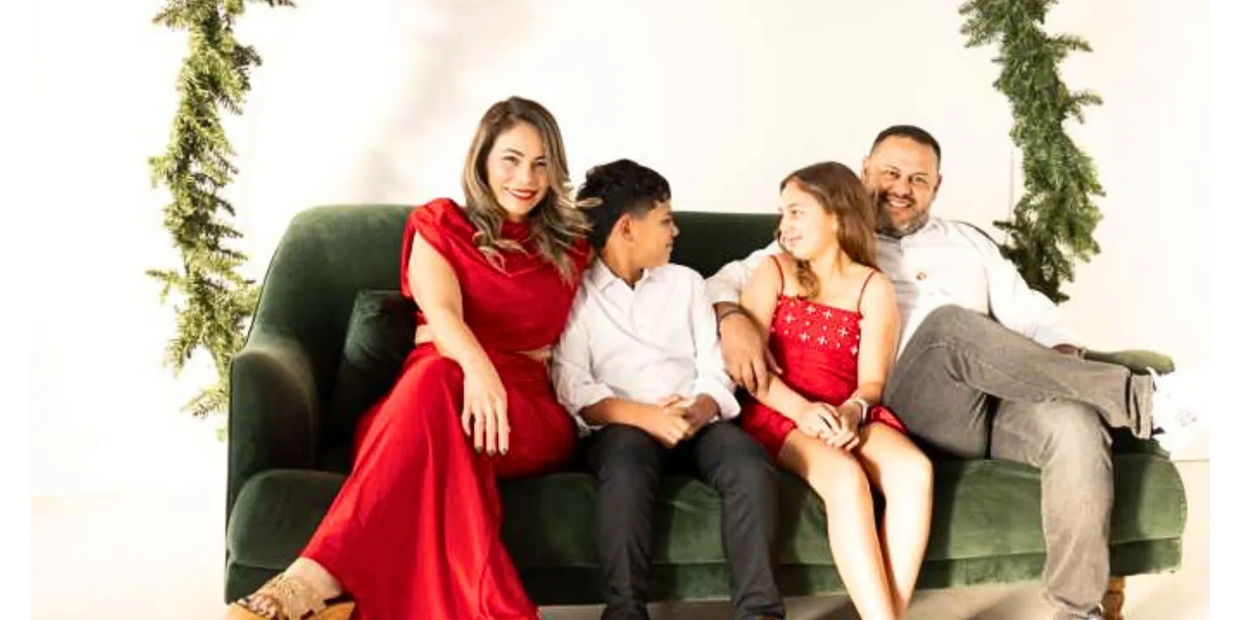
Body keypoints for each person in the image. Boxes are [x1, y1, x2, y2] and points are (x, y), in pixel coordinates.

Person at [706, 125, 1211, 620]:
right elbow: (720, 284)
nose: (902, 188)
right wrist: (732, 320)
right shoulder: (824, 243)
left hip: (993, 400)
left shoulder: (970, 244)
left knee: (1074, 425)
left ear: (936, 187)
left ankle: (1077, 610)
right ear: (864, 173)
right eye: (891, 173)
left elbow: (1031, 314)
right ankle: (1147, 402)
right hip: (910, 403)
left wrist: (1061, 359)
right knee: (949, 327)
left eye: (918, 179)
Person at [226, 96, 592, 620]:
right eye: (511, 158)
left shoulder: (572, 242)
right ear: (483, 159)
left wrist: (727, 314)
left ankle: (311, 580)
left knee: (438, 378)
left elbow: (652, 272)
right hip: (433, 394)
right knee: (439, 378)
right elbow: (441, 312)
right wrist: (479, 369)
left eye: (541, 163)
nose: (526, 177)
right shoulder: (439, 222)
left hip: (523, 413)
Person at [550, 159, 786, 620]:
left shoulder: (687, 283)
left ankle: (760, 612)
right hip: (623, 425)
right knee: (627, 465)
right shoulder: (576, 293)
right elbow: (573, 386)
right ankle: (624, 611)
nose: (675, 231)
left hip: (695, 418)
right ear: (626, 229)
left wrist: (698, 408)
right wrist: (647, 417)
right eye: (665, 221)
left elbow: (714, 367)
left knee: (749, 463)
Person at [730, 161, 932, 620]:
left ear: (837, 214)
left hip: (846, 412)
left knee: (914, 469)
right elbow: (751, 374)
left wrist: (852, 412)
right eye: (783, 214)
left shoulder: (873, 286)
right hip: (780, 408)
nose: (785, 227)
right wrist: (802, 411)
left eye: (797, 212)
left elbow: (872, 383)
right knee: (844, 476)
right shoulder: (773, 272)